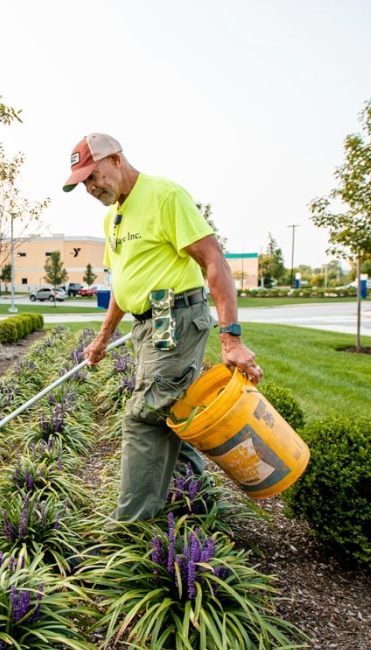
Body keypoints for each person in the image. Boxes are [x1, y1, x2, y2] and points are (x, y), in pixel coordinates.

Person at [63, 133, 263, 522]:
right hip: (146, 326)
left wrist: (231, 338)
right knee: (170, 411)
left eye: (94, 176)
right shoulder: (112, 217)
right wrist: (102, 338)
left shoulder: (165, 196)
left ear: (116, 160)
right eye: (83, 182)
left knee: (143, 416)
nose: (90, 187)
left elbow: (214, 261)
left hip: (175, 319)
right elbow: (123, 283)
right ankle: (198, 503)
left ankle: (131, 528)